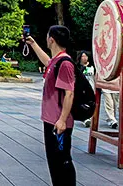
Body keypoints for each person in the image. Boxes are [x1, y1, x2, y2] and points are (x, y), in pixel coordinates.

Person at [24, 25, 76, 186]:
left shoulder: (65, 63)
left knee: (62, 161)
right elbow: (48, 61)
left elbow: (70, 93)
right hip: (51, 120)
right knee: (54, 162)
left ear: (51, 39)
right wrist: (32, 44)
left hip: (58, 122)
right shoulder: (57, 60)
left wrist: (62, 120)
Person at [77, 51, 96, 128]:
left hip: (91, 88)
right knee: (82, 104)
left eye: (86, 56)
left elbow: (95, 78)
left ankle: (89, 117)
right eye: (83, 56)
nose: (84, 58)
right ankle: (86, 119)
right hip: (82, 89)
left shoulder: (92, 67)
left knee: (91, 104)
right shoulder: (78, 67)